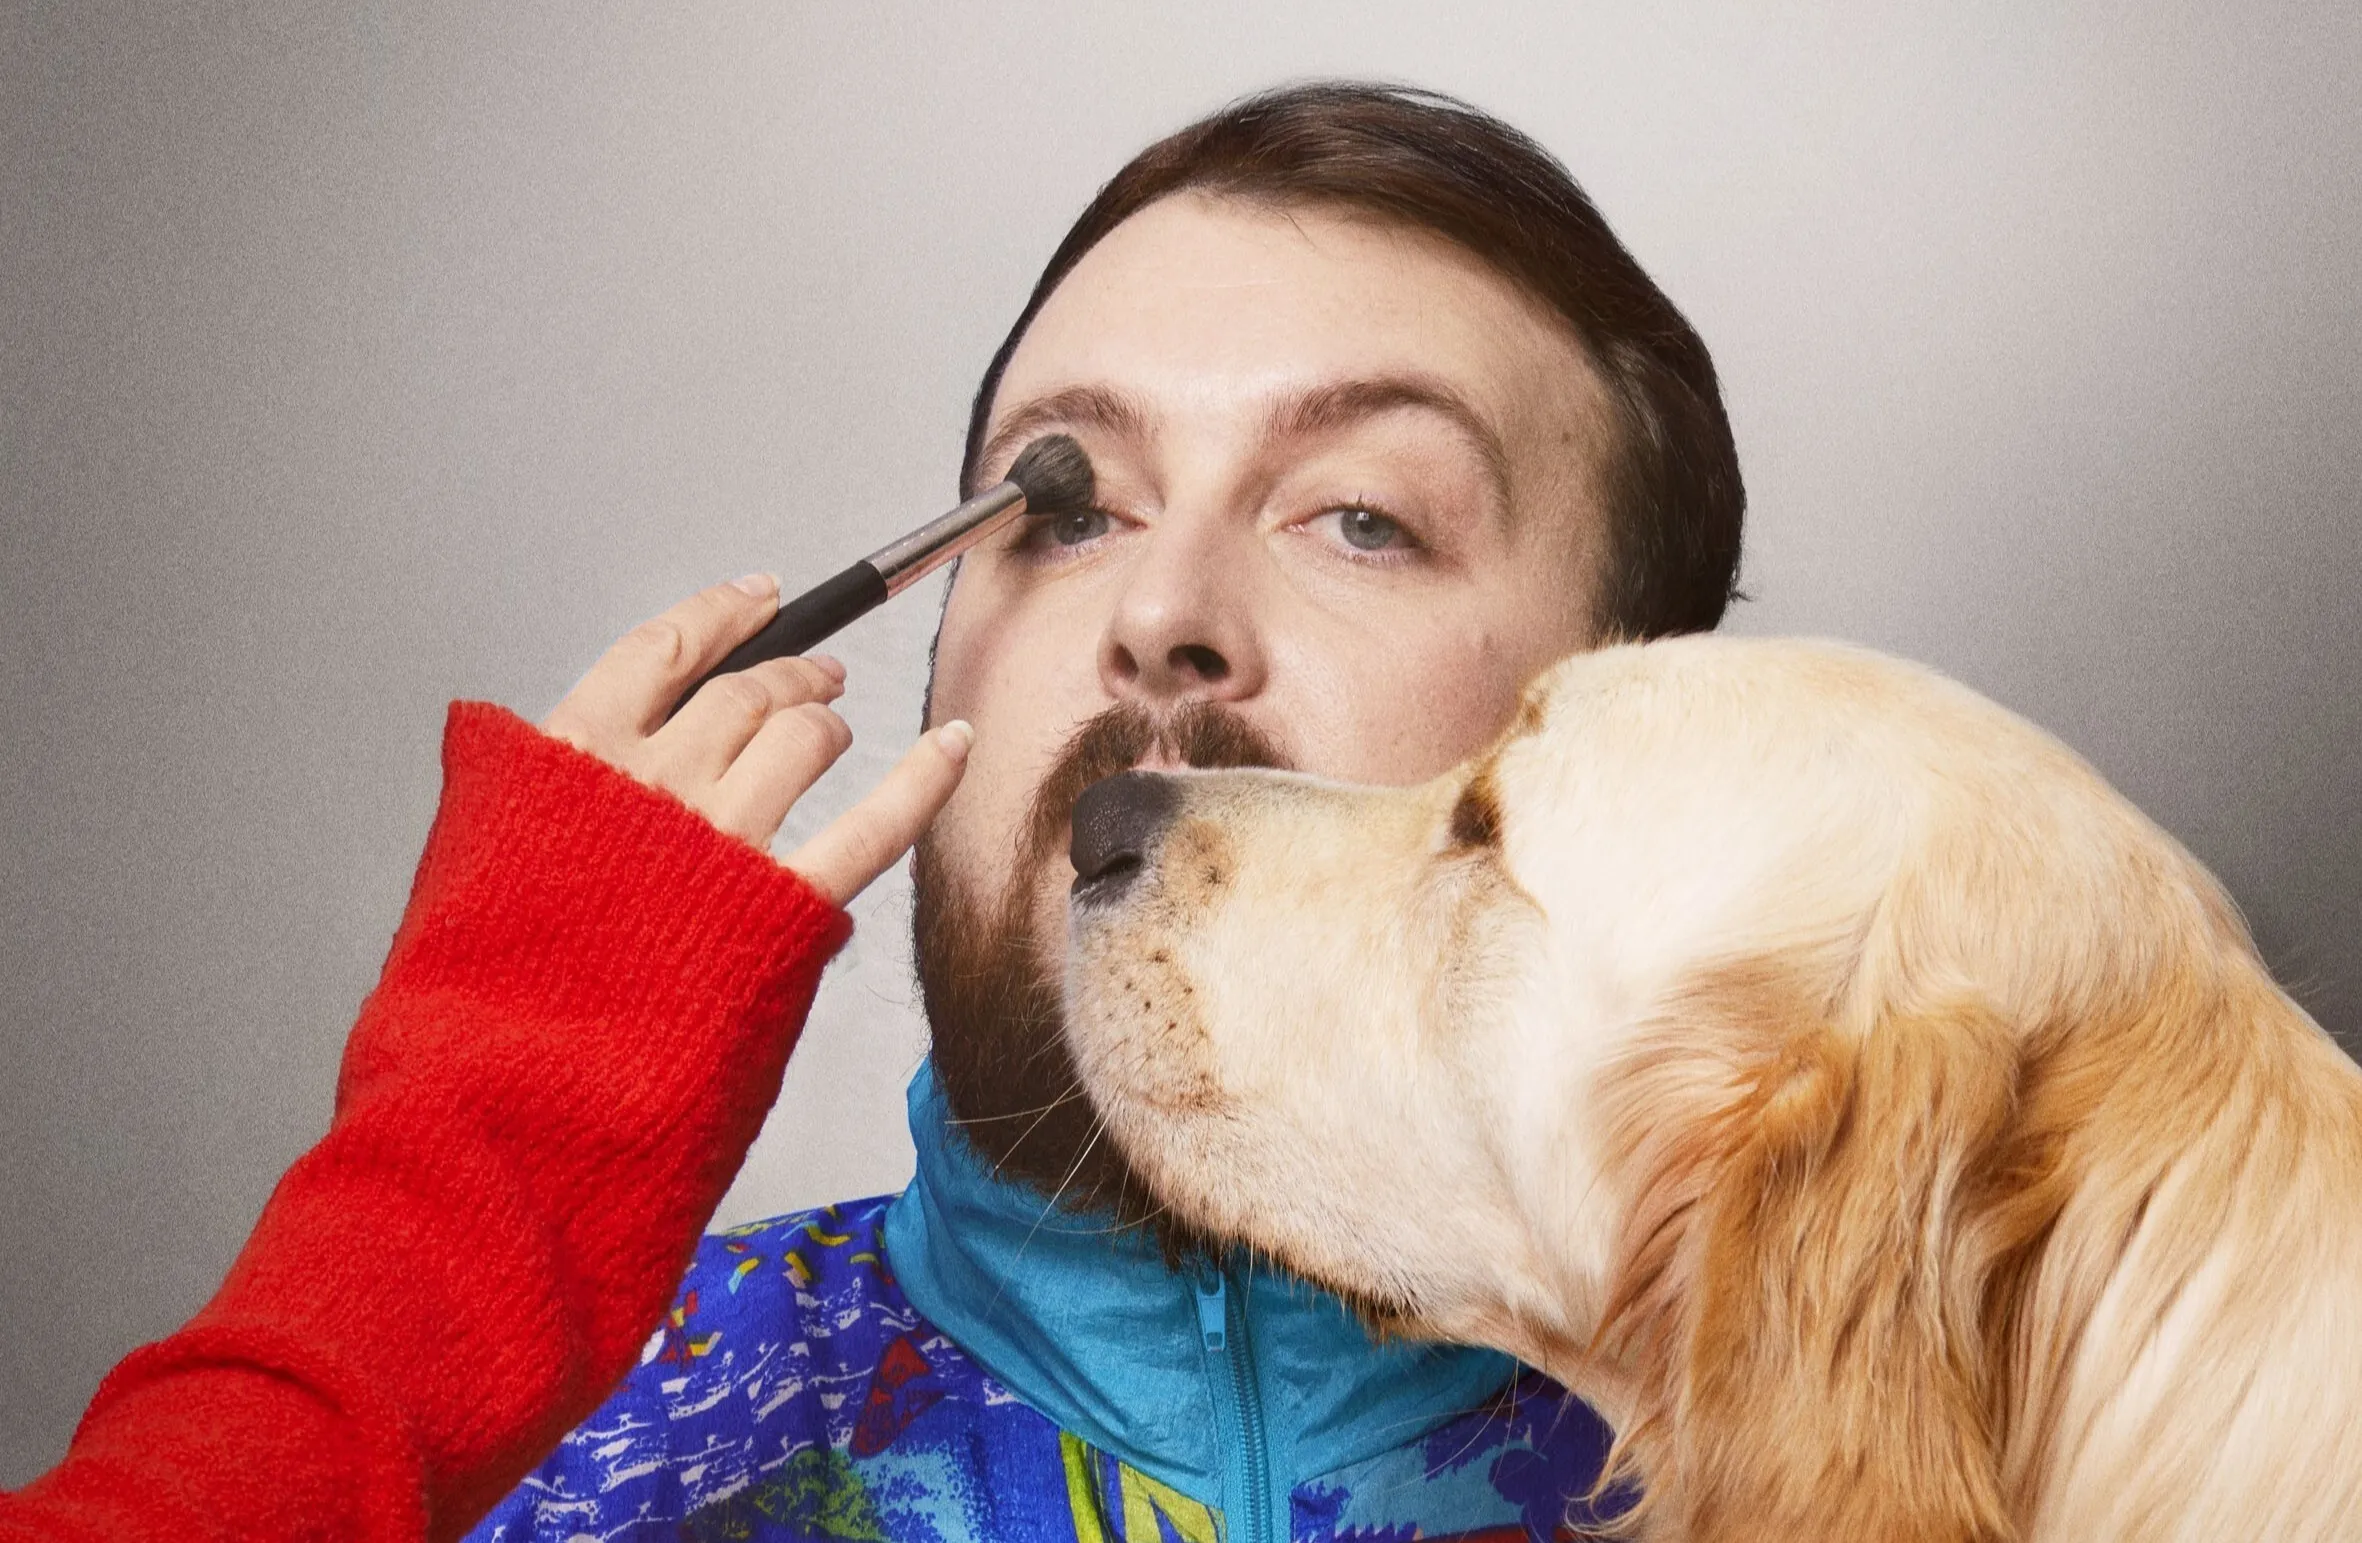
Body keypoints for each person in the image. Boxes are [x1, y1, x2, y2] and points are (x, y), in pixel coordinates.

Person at [1, 80, 1742, 1543]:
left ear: (1637, 735)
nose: (1159, 608)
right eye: (1069, 509)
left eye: (1362, 516)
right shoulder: (533, 1474)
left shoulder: (1928, 1460)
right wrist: (469, 1184)